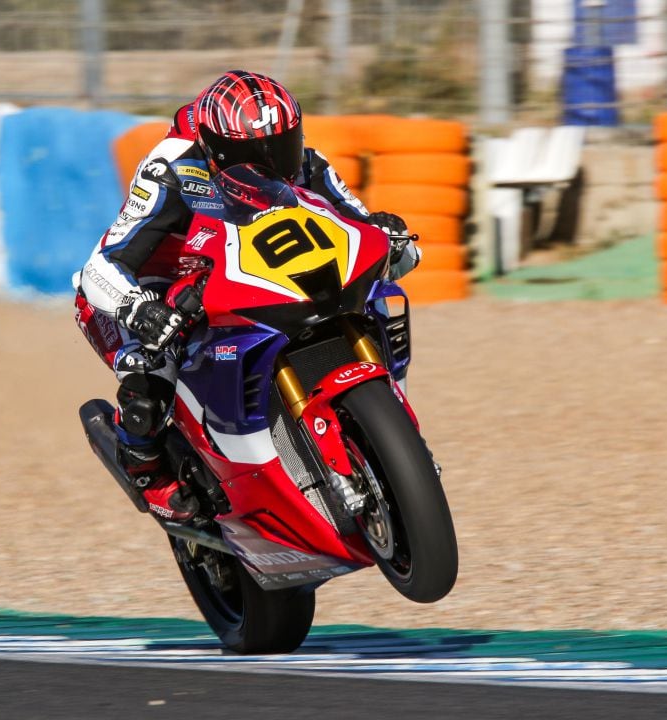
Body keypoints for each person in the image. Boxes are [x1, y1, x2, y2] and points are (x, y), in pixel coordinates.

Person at [74, 70, 420, 522]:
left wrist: (393, 237)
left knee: (372, 291)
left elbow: (372, 232)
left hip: (241, 273)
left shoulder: (307, 164)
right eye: (255, 154)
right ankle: (146, 467)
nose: (275, 161)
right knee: (153, 364)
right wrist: (139, 309)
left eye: (284, 143)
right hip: (151, 285)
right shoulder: (170, 170)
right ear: (216, 148)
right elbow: (101, 265)